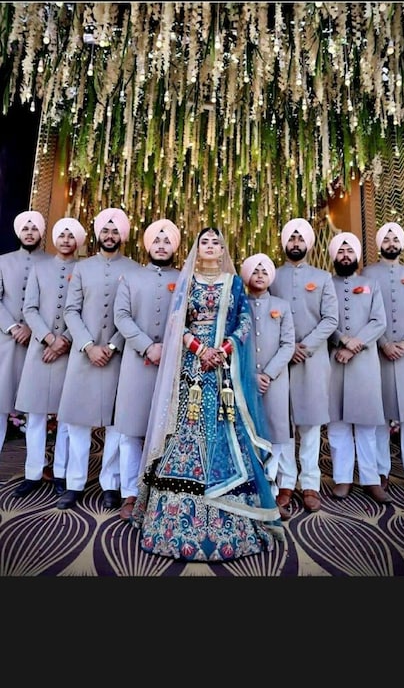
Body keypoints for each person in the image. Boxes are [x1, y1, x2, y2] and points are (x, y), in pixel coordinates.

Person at [131, 226, 283, 561]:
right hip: (192, 368)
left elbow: (244, 321)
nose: (211, 246)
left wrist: (224, 349)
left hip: (223, 369)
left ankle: (231, 517)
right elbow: (176, 320)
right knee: (189, 427)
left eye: (216, 242)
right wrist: (199, 348)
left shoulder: (234, 284)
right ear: (196, 249)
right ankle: (173, 519)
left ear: (223, 248)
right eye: (205, 242)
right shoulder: (188, 281)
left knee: (223, 427)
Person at [55, 207, 138, 510]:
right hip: (84, 356)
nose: (110, 235)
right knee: (77, 423)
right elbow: (70, 310)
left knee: (116, 426)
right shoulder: (82, 268)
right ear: (98, 234)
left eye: (116, 231)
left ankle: (110, 485)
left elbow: (132, 315)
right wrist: (89, 345)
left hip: (118, 358)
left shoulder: (134, 269)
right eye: (106, 230)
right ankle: (75, 484)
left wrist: (113, 346)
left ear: (123, 237)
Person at [112, 218, 181, 521]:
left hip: (173, 364)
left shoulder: (184, 278)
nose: (162, 246)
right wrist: (147, 345)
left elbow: (189, 318)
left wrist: (168, 347)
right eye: (157, 240)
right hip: (136, 364)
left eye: (167, 241)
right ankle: (130, 492)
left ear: (175, 247)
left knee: (168, 429)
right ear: (147, 244)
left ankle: (162, 493)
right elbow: (122, 316)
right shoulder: (130, 277)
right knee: (130, 430)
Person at [12, 217, 86, 497]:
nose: (66, 240)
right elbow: (29, 309)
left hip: (71, 351)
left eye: (71, 235)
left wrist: (65, 339)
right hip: (39, 350)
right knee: (36, 414)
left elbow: (84, 309)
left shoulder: (84, 269)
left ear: (78, 240)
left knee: (67, 417)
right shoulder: (40, 268)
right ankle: (32, 472)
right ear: (54, 238)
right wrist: (50, 338)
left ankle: (61, 473)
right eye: (62, 235)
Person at [269, 217, 338, 514]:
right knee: (282, 424)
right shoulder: (270, 276)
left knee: (310, 425)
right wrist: (286, 349)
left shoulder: (323, 278)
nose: (295, 243)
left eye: (300, 239)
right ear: (284, 243)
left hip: (312, 361)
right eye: (291, 239)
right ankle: (285, 483)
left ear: (308, 244)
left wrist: (305, 346)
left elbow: (330, 320)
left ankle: (310, 484)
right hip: (279, 363)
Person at [362, 221, 404, 495]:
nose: (391, 243)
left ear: (402, 244)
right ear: (380, 244)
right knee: (381, 414)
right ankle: (382, 471)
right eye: (386, 239)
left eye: (395, 239)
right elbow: (364, 313)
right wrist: (383, 343)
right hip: (377, 355)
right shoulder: (367, 273)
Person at [325, 231, 390, 502]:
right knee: (338, 423)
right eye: (340, 252)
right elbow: (323, 320)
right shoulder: (326, 284)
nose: (345, 256)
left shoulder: (370, 284)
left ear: (357, 255)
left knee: (366, 423)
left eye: (349, 251)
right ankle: (342, 479)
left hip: (363, 362)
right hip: (333, 362)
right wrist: (342, 341)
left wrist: (354, 345)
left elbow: (379, 322)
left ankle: (370, 479)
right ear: (334, 256)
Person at [240, 251, 296, 521]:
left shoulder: (282, 306)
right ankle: (250, 490)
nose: (260, 276)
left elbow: (288, 345)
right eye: (255, 271)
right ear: (246, 276)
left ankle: (271, 492)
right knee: (248, 431)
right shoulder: (238, 305)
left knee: (275, 433)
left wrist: (269, 373)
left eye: (265, 272)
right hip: (245, 380)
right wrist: (250, 374)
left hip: (275, 382)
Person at [0, 210, 49, 456]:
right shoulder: (3, 261)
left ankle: (34, 471)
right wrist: (12, 326)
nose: (30, 233)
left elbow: (53, 306)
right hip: (6, 344)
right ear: (19, 232)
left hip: (38, 345)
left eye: (34, 229)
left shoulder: (52, 264)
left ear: (41, 232)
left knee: (36, 411)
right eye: (25, 229)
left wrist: (33, 328)